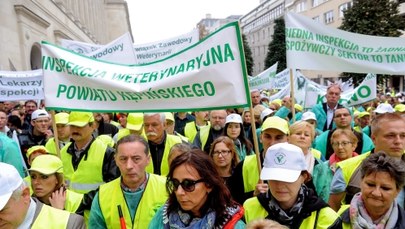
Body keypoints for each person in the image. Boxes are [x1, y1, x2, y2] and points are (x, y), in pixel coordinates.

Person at [243, 143, 341, 228]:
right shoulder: (249, 208)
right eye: (273, 178)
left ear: (304, 177)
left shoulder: (326, 218)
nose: (280, 185)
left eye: (288, 178)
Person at [148, 149, 245, 228]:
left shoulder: (230, 223)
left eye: (189, 184)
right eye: (175, 183)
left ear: (209, 184)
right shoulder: (164, 215)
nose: (179, 192)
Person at [328, 112, 405, 212]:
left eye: (403, 136)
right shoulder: (347, 168)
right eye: (390, 135)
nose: (398, 141)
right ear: (374, 139)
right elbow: (333, 208)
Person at [89, 134, 168, 228]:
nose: (129, 166)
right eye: (123, 159)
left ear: (148, 159)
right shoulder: (103, 194)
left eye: (136, 159)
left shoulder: (166, 188)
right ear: (116, 160)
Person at [0, 162, 85, 228]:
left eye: (1, 210)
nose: (36, 182)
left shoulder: (69, 223)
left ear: (25, 195)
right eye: (33, 176)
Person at [229, 116, 289, 204]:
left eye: (278, 138)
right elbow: (232, 200)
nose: (272, 143)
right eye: (268, 137)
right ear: (261, 137)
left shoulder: (296, 165)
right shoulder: (245, 165)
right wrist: (253, 195)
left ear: (288, 139)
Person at [339, 152, 405, 228]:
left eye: (385, 188)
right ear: (361, 182)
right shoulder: (336, 219)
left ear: (398, 191)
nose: (376, 193)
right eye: (370, 184)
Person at [60, 111, 120, 194]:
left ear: (93, 126)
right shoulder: (63, 151)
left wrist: (82, 201)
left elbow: (111, 187)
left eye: (80, 126)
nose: (75, 130)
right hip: (67, 205)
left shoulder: (107, 153)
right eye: (72, 126)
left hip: (93, 206)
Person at [313, 129, 359, 202]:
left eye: (344, 143)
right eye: (336, 144)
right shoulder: (322, 169)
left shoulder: (361, 167)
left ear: (354, 145)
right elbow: (315, 196)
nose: (340, 147)